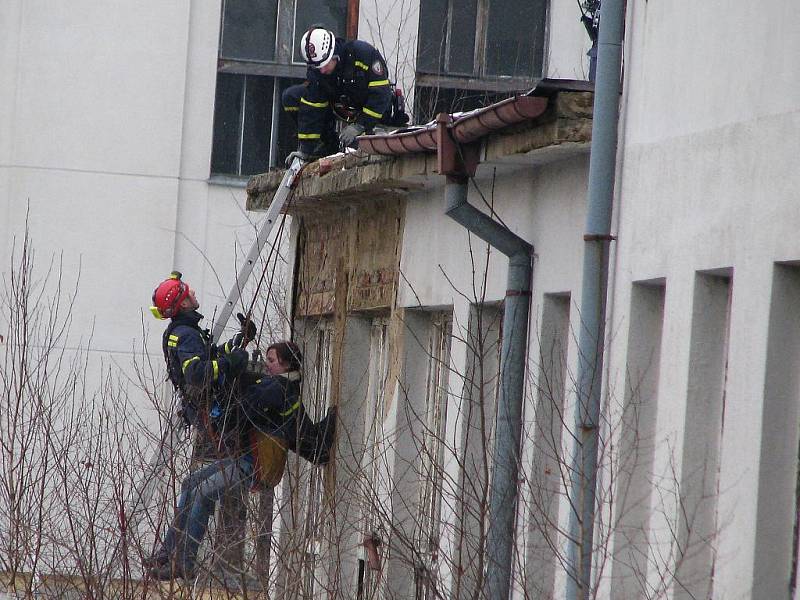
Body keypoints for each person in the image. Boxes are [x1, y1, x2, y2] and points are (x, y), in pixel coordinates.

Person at [146, 272, 256, 580]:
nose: (193, 291)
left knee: (192, 483)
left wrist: (240, 341)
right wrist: (233, 364)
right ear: (182, 303)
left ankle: (168, 552)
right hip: (212, 413)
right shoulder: (187, 334)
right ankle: (180, 559)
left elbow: (211, 357)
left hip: (203, 410)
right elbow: (199, 372)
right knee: (202, 487)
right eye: (186, 291)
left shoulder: (180, 331)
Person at [282, 26, 407, 164]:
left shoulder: (363, 54)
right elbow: (312, 107)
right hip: (340, 107)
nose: (322, 71)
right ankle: (326, 145)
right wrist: (305, 150)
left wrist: (360, 125)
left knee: (361, 148)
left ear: (334, 54)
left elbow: (381, 95)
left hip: (373, 113)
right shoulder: (317, 71)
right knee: (291, 97)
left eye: (325, 64)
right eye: (318, 67)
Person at [240, 341, 336, 465]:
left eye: (271, 360)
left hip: (315, 449)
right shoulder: (287, 386)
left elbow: (250, 401)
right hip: (315, 449)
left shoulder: (281, 388)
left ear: (287, 364)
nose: (266, 365)